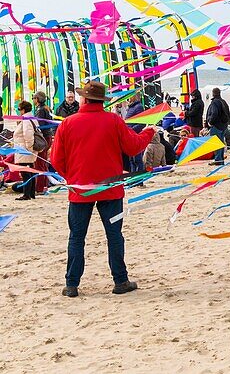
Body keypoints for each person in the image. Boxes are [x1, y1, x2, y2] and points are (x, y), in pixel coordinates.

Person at [50, 80, 154, 297]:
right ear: (100, 100)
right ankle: (120, 281)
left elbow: (56, 159)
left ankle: (72, 285)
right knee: (114, 235)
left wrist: (72, 177)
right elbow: (133, 147)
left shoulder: (68, 123)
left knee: (77, 237)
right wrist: (148, 133)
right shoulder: (113, 120)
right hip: (109, 189)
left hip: (81, 190)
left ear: (84, 99)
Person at [11, 101, 41, 200]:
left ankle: (27, 194)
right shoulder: (31, 118)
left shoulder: (26, 120)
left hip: (25, 149)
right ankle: (31, 193)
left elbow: (28, 135)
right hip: (27, 148)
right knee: (30, 171)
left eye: (19, 109)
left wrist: (28, 148)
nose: (19, 111)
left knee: (25, 172)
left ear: (23, 110)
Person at [203, 88, 230, 166]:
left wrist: (210, 122)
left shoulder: (215, 102)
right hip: (223, 125)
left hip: (216, 125)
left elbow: (214, 113)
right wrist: (226, 123)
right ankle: (220, 159)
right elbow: (228, 113)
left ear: (213, 93)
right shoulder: (223, 102)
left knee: (216, 143)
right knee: (221, 143)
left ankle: (218, 159)